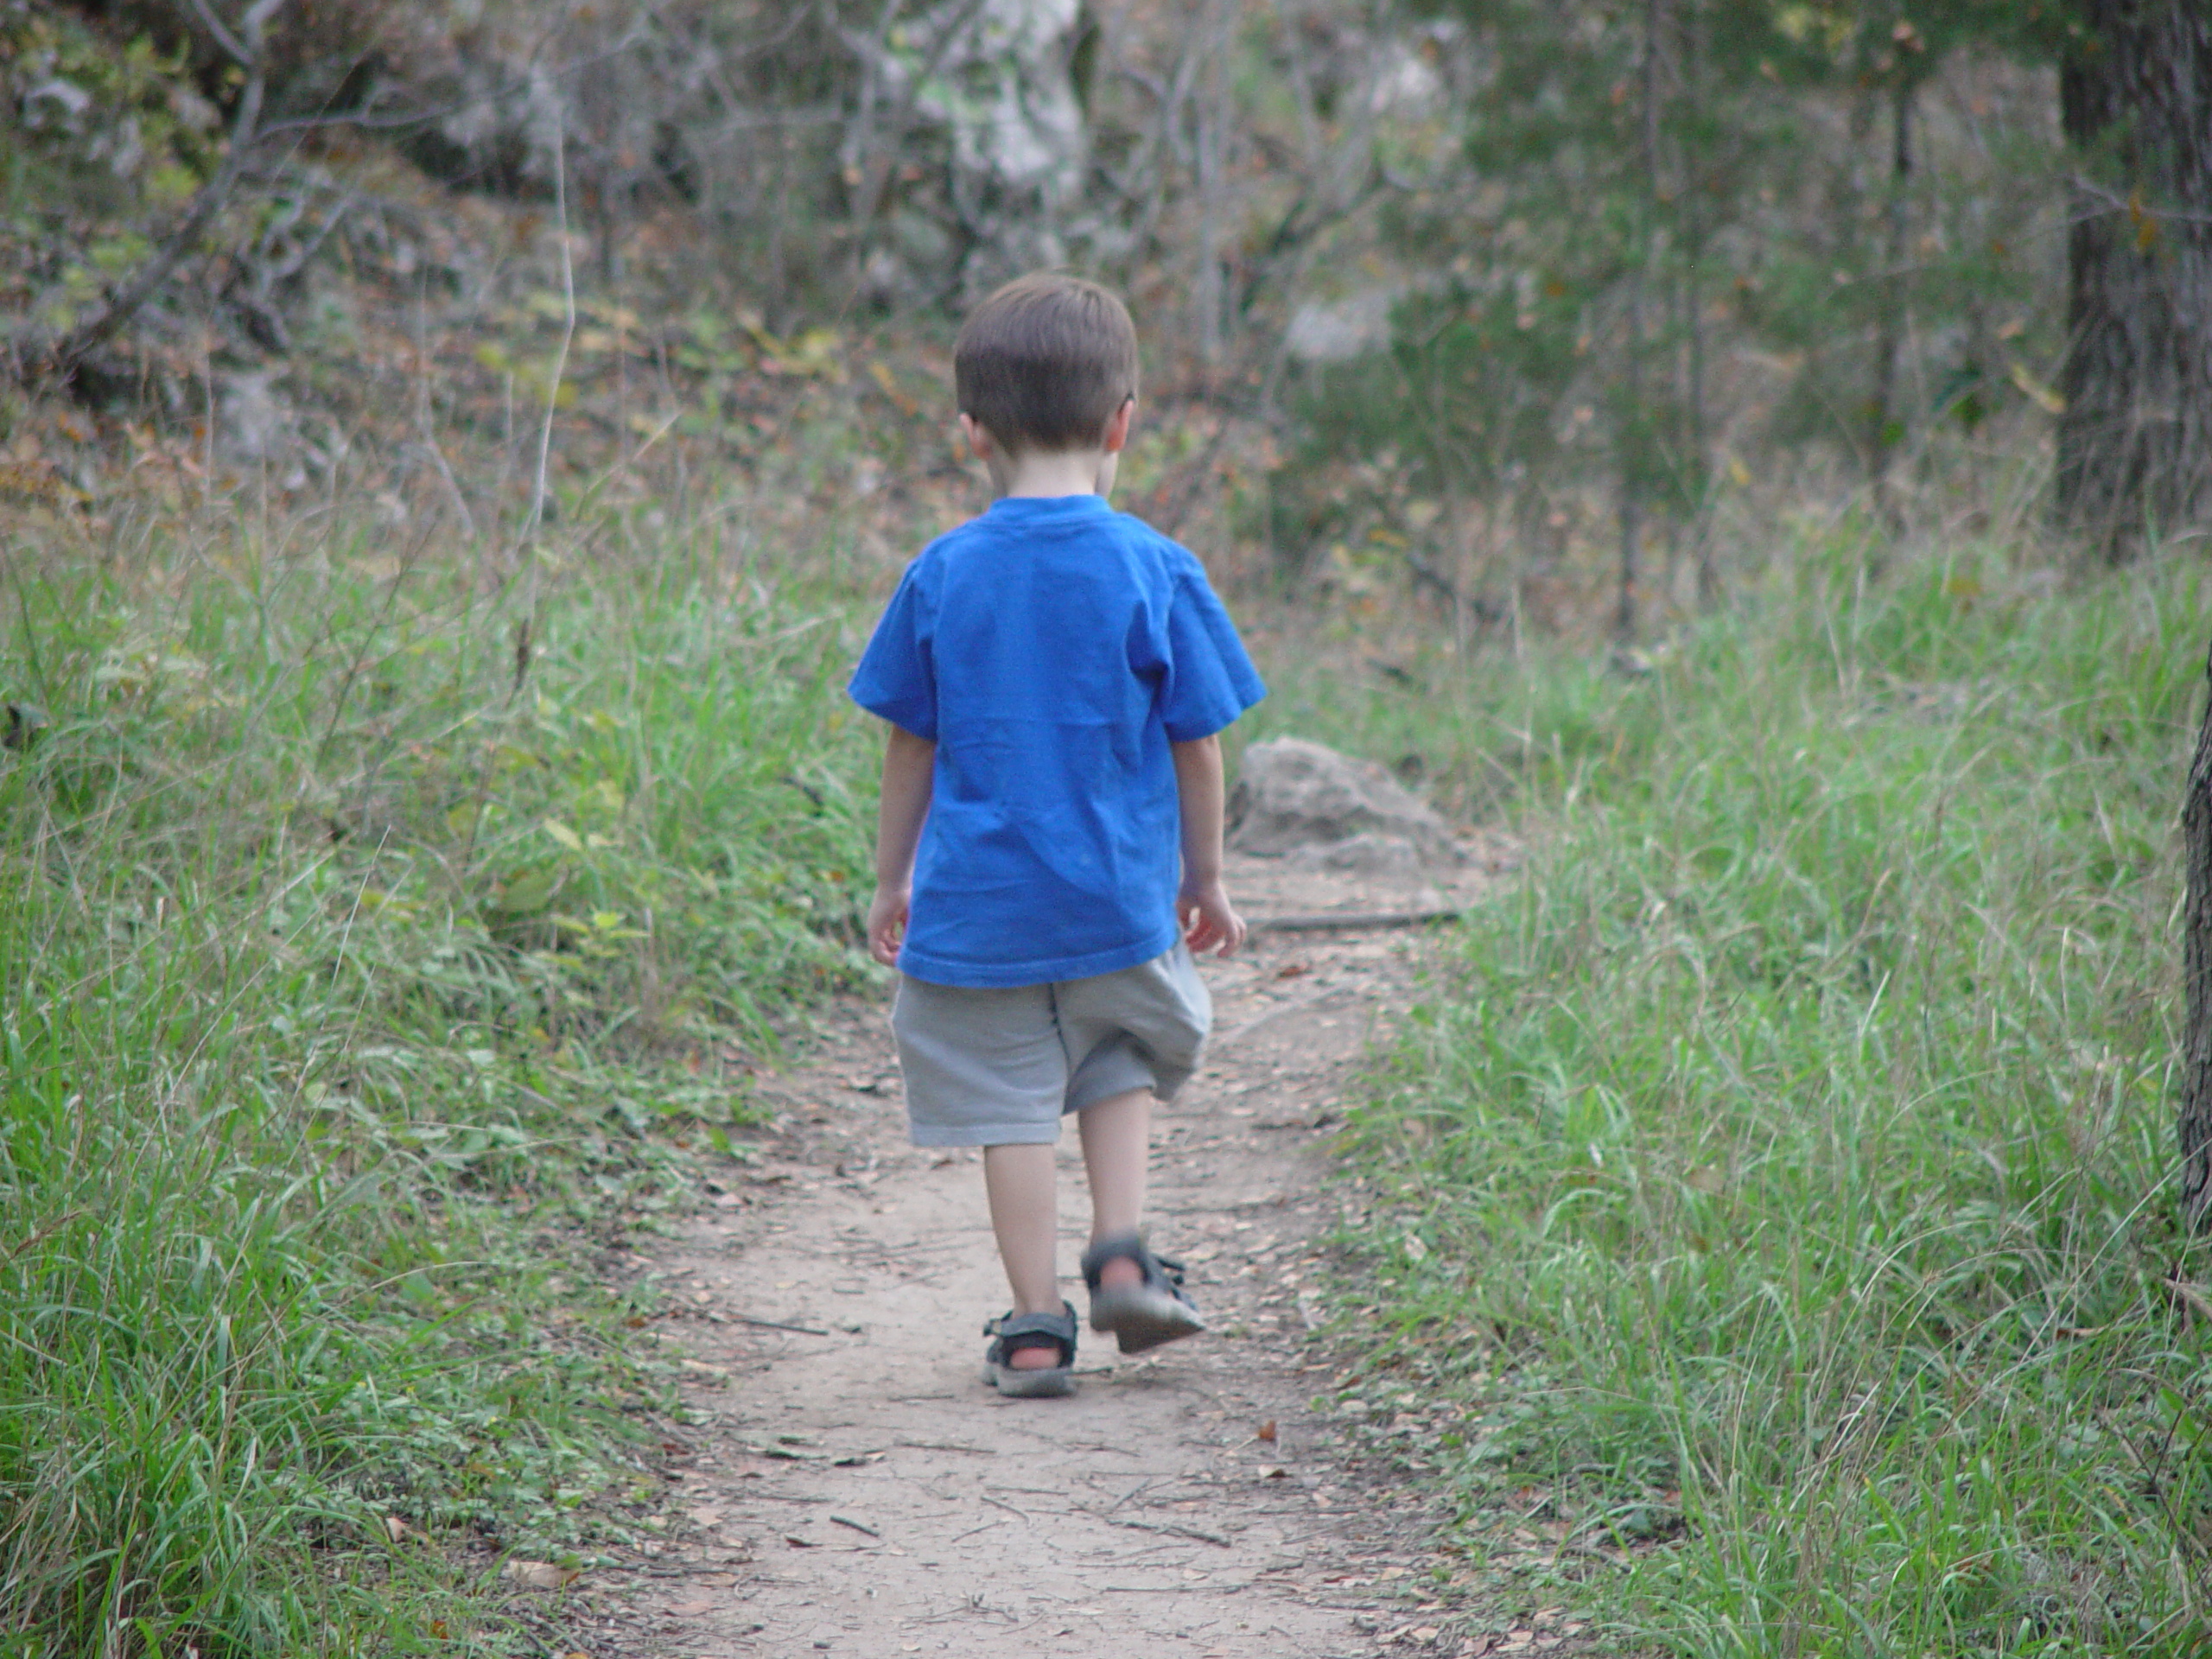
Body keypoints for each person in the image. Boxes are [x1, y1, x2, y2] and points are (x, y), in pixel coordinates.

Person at [848, 271, 1266, 1398]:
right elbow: (1199, 742)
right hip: (1116, 900)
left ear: (970, 430)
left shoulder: (941, 573)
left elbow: (909, 747)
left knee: (1006, 1108)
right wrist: (1207, 877)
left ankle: (1035, 1329)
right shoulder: (1153, 566)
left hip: (981, 911)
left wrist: (893, 880)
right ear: (1125, 421)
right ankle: (1122, 1249)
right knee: (1119, 1051)